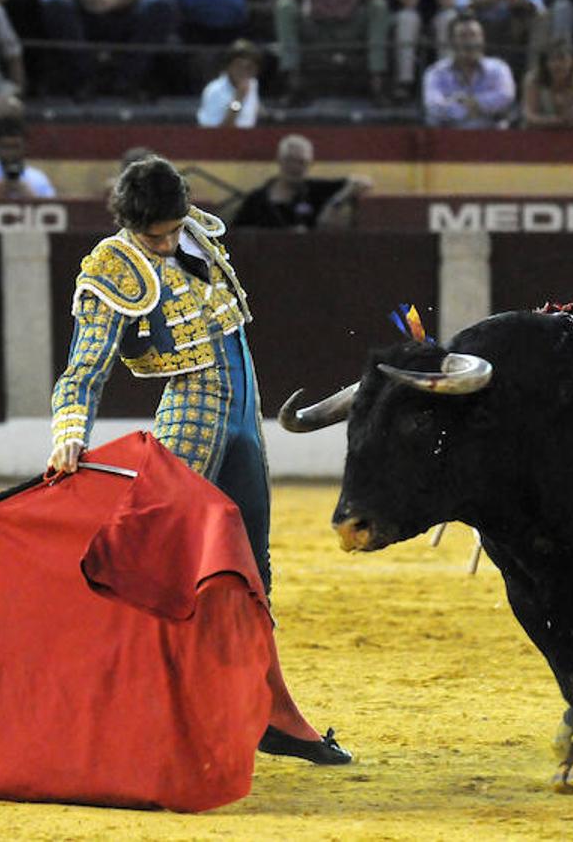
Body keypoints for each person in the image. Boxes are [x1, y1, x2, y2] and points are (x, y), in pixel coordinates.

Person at [48, 154, 353, 766]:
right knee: (164, 573)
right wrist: (68, 430)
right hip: (191, 419)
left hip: (246, 415)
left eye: (168, 230)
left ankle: (270, 711)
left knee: (253, 569)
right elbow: (84, 370)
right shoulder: (113, 267)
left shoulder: (195, 230)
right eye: (150, 236)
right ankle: (130, 714)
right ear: (128, 224)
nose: (163, 245)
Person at [37, 0, 179, 101]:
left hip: (121, 14)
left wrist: (118, 1)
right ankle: (85, 79)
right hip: (81, 18)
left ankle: (126, 80)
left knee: (162, 6)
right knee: (56, 8)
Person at [275, 0, 391, 104]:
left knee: (379, 7)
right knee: (285, 6)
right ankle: (292, 83)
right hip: (316, 25)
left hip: (350, 25)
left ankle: (377, 83)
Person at [231, 133, 372, 230]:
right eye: (290, 160)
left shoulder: (317, 190)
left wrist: (335, 203)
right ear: (279, 161)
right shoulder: (257, 199)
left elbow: (361, 182)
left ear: (310, 164)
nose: (295, 167)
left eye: (302, 162)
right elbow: (237, 233)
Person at [385, 0, 458, 103]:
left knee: (448, 18)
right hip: (405, 20)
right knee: (408, 18)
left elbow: (448, 2)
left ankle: (445, 80)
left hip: (435, 18)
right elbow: (409, 2)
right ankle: (405, 82)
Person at [423, 11, 516, 127]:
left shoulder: (499, 68)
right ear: (452, 42)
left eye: (474, 35)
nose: (469, 42)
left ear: (482, 39)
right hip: (449, 137)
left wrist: (465, 102)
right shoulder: (436, 72)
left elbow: (505, 98)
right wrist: (473, 109)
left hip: (492, 137)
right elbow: (434, 107)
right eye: (463, 36)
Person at [521, 37, 573, 128]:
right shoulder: (534, 81)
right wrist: (556, 121)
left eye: (562, 59)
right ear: (545, 63)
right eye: (552, 59)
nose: (557, 64)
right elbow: (529, 116)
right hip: (539, 137)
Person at [196, 37, 261, 127]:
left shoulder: (253, 84)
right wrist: (238, 100)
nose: (243, 71)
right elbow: (211, 134)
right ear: (228, 66)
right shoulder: (214, 91)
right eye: (239, 65)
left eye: (249, 67)